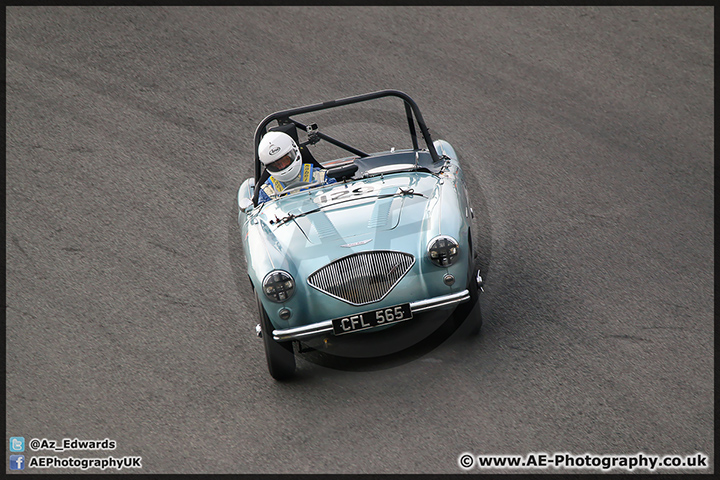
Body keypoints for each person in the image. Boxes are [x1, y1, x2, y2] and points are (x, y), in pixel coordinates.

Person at [257, 131, 335, 203]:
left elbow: (336, 197)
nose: (283, 166)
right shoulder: (267, 192)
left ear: (295, 152)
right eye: (276, 165)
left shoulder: (321, 177)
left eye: (285, 160)